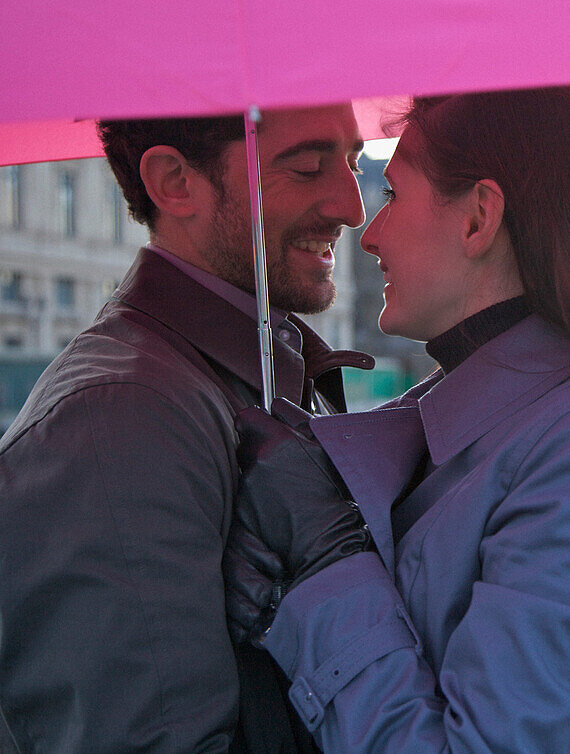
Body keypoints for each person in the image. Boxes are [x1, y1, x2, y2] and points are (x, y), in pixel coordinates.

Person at [224, 86, 570, 752]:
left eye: (393, 196)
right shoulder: (534, 432)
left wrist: (322, 567)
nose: (368, 233)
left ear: (478, 219)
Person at [0, 104, 372, 752]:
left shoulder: (254, 370)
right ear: (175, 182)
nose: (352, 204)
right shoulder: (120, 420)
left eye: (353, 162)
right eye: (309, 167)